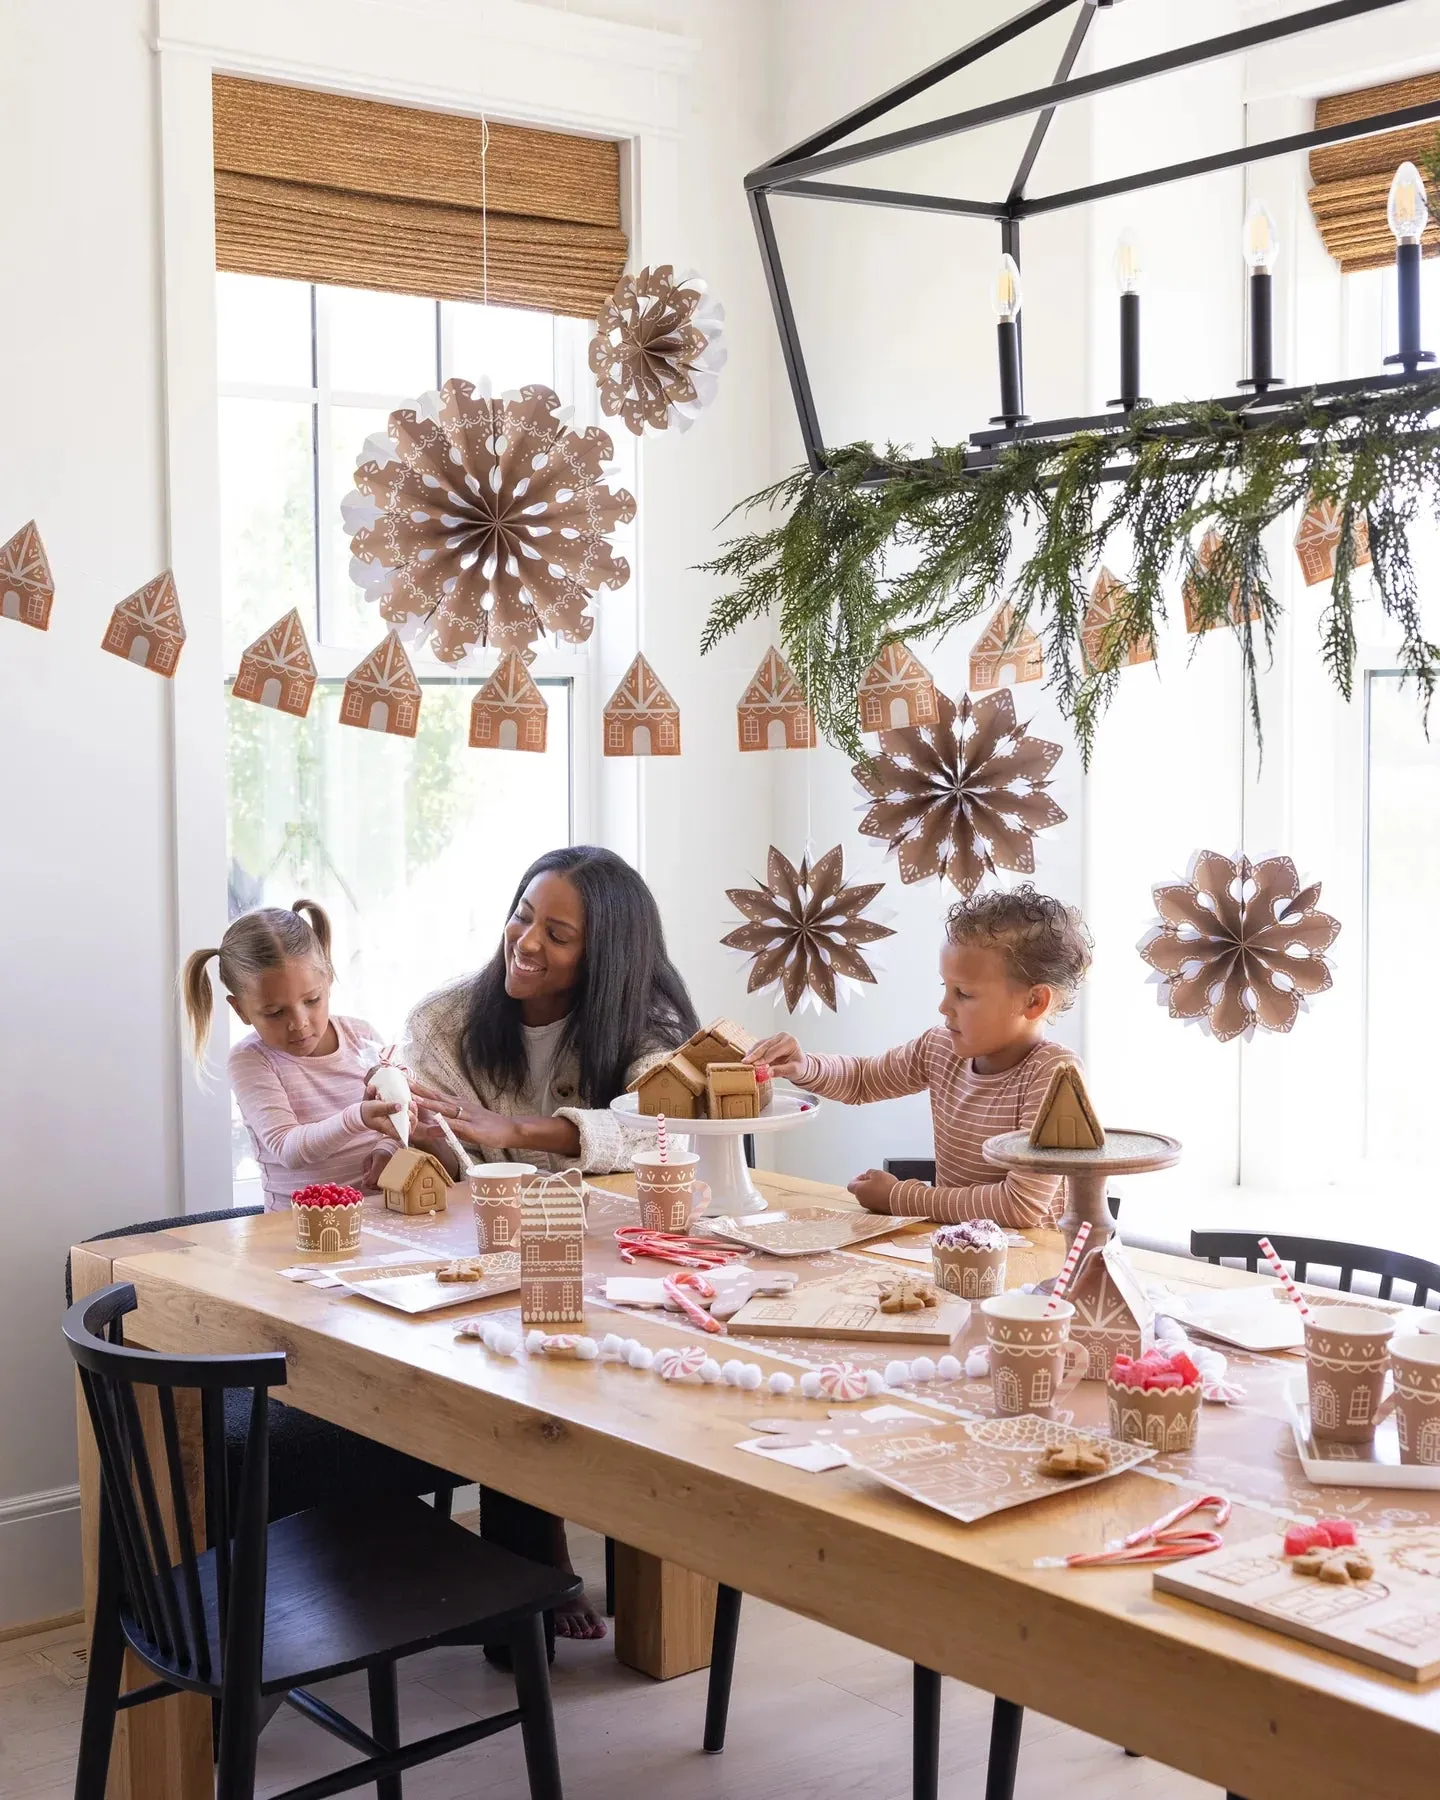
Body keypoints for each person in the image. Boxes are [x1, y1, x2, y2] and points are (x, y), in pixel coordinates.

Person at [402, 845, 699, 1642]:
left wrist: (520, 1130)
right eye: (523, 915)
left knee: (637, 1368)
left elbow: (666, 1123)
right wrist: (403, 1125)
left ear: (604, 958)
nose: (525, 941)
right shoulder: (445, 1023)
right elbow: (437, 1149)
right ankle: (535, 1574)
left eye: (557, 934)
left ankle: (637, 1593)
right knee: (516, 1361)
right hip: (488, 1249)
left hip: (615, 1252)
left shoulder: (651, 1027)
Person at [747, 886, 1093, 1229]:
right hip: (957, 1247)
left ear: (1034, 1002)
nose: (944, 1006)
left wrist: (899, 1198)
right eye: (945, 987)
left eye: (964, 994)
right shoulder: (940, 1049)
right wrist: (803, 1064)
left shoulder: (1053, 1074)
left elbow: (1021, 1207)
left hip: (1029, 1264)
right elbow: (863, 1079)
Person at [182, 900, 432, 1210]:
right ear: (241, 1010)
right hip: (295, 1232)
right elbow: (289, 1149)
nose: (298, 1023)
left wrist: (386, 1147)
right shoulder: (252, 1060)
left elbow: (396, 1115)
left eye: (312, 1000)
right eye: (274, 1012)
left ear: (328, 979)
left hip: (379, 1219)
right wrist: (358, 1117)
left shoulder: (362, 1036)